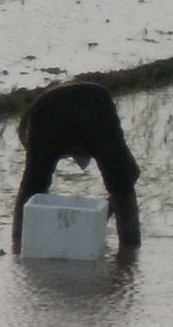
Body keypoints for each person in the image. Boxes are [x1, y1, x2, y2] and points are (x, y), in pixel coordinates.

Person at [12, 81, 142, 253]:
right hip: (90, 107)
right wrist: (105, 212)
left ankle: (19, 245)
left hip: (66, 112)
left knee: (32, 186)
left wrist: (101, 215)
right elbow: (130, 175)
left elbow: (30, 187)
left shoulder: (43, 108)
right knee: (122, 183)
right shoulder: (89, 97)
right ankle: (129, 251)